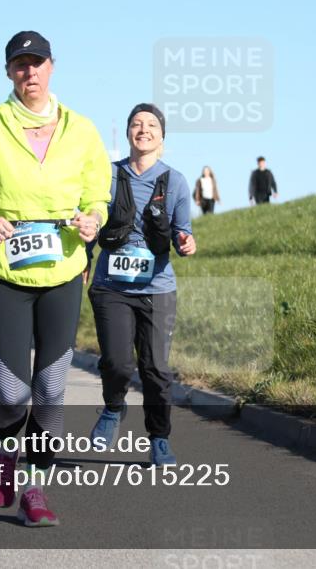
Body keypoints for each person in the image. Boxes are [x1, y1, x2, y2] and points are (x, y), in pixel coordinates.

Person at [0, 31, 110, 527]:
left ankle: (34, 488)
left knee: (51, 388)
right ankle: (5, 450)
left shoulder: (82, 129)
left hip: (64, 269)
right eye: (19, 64)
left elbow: (98, 194)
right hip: (4, 272)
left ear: (52, 67)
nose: (29, 72)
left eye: (37, 63)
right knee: (12, 393)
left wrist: (93, 220)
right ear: (9, 72)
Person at [87, 103, 195, 466]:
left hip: (157, 287)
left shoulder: (175, 181)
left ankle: (159, 439)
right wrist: (83, 257)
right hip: (111, 286)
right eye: (136, 123)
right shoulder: (107, 175)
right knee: (117, 363)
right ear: (129, 132)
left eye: (151, 125)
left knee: (155, 369)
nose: (143, 129)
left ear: (162, 136)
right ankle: (112, 408)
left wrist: (186, 241)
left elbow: (183, 230)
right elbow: (91, 218)